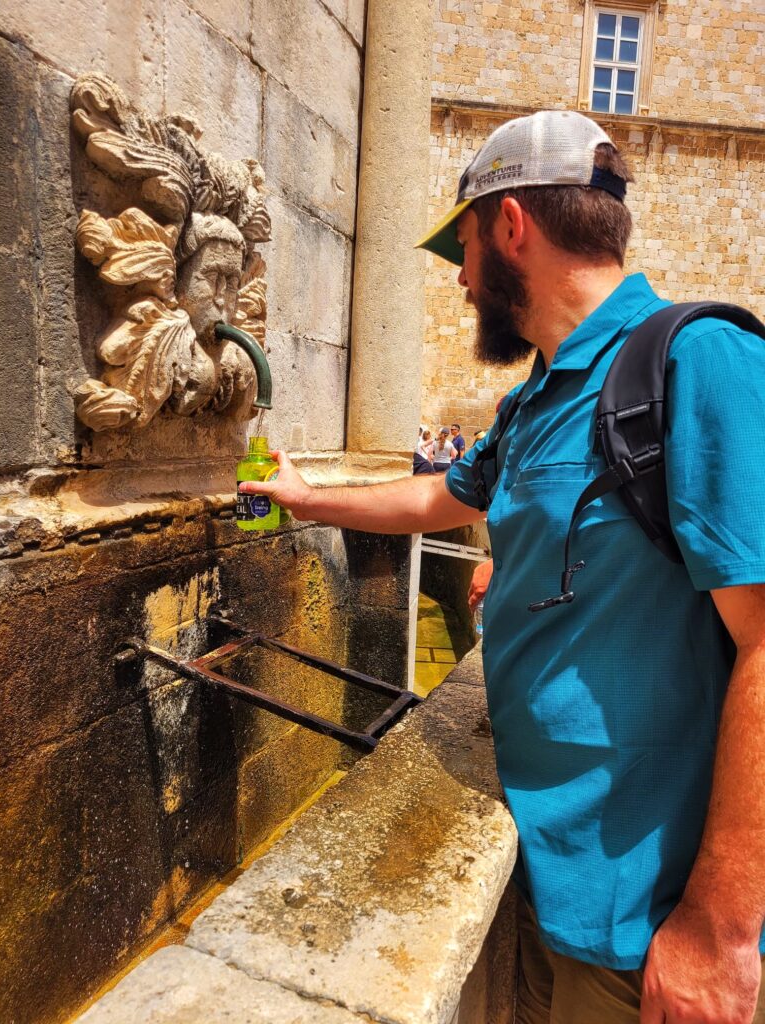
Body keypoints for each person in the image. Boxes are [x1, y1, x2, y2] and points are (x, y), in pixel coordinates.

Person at [240, 110, 765, 1024]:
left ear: (512, 226)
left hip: (639, 925)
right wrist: (306, 495)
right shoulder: (535, 401)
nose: (460, 281)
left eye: (467, 247)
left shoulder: (699, 361)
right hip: (537, 866)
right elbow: (442, 499)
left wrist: (719, 929)